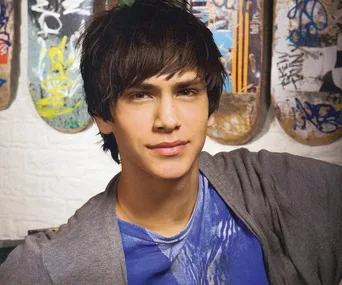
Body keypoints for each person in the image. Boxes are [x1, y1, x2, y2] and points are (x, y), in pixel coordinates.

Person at [1, 0, 341, 284]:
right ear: (103, 116)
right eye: (140, 95)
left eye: (187, 91)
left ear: (210, 107)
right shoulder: (54, 266)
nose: (168, 119)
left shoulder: (271, 185)